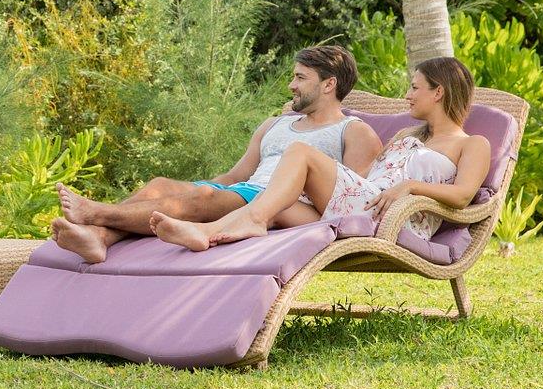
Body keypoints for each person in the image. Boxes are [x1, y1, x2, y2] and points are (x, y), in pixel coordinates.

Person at [53, 45, 383, 263]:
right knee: (161, 186)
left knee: (205, 198)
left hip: (277, 203)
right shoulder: (274, 124)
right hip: (243, 190)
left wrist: (209, 198)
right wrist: (195, 190)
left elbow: (346, 196)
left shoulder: (354, 131)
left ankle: (97, 214)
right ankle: (99, 238)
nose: (291, 85)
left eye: (300, 77)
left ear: (328, 84)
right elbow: (236, 176)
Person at [151, 56, 491, 250]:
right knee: (277, 201)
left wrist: (411, 187)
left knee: (300, 152)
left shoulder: (472, 143)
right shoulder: (407, 135)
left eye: (415, 88)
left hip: (397, 221)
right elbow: (369, 175)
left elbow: (463, 196)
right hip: (363, 208)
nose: (407, 95)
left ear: (438, 92)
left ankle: (245, 224)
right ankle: (208, 232)